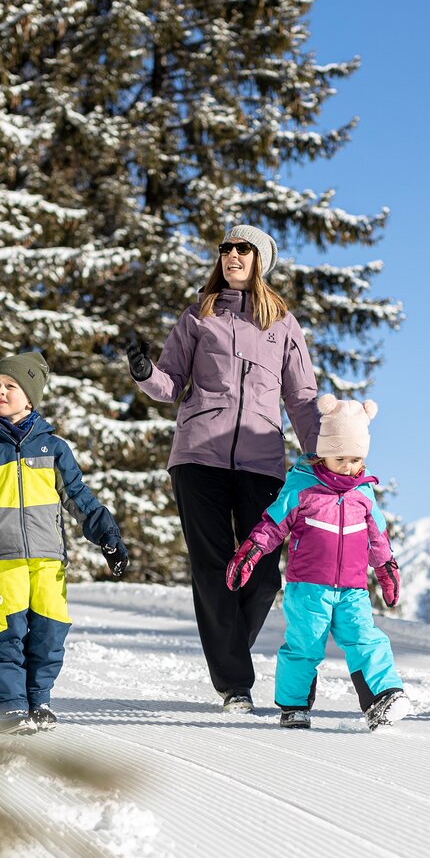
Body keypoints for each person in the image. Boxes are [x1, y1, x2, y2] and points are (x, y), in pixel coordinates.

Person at [126, 225, 322, 714]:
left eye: (243, 249)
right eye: (226, 249)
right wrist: (145, 373)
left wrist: (322, 456)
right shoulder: (199, 314)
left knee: (263, 577)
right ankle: (235, 684)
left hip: (261, 461)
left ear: (261, 261)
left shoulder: (283, 324)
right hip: (198, 457)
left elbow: (300, 398)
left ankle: (228, 649)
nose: (232, 255)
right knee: (213, 569)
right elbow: (172, 384)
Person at [0, 351, 129, 734]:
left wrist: (108, 536)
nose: (0, 391)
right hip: (0, 557)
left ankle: (38, 699)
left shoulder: (54, 448)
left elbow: (80, 498)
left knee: (50, 629)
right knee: (8, 630)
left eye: (11, 386)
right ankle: (10, 706)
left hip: (48, 558)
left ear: (30, 397)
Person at [225, 396, 408, 731]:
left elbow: (377, 537)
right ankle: (294, 706)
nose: (349, 466)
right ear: (324, 451)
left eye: (356, 459)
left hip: (353, 590)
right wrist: (249, 553)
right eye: (341, 458)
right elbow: (272, 524)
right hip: (308, 588)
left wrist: (385, 570)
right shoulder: (303, 488)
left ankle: (383, 697)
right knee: (305, 646)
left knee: (366, 639)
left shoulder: (363, 494)